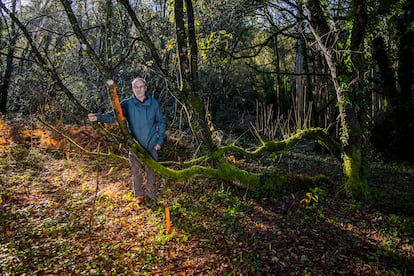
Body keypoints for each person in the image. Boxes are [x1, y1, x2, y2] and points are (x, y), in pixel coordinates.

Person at [88, 77, 166, 203]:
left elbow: (161, 123)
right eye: (136, 87)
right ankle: (139, 196)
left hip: (151, 143)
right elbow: (114, 116)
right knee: (136, 171)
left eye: (141, 87)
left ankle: (151, 196)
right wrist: (98, 117)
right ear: (132, 89)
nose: (138, 89)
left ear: (145, 88)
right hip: (134, 143)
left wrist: (159, 141)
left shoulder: (154, 103)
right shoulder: (127, 104)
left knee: (151, 171)